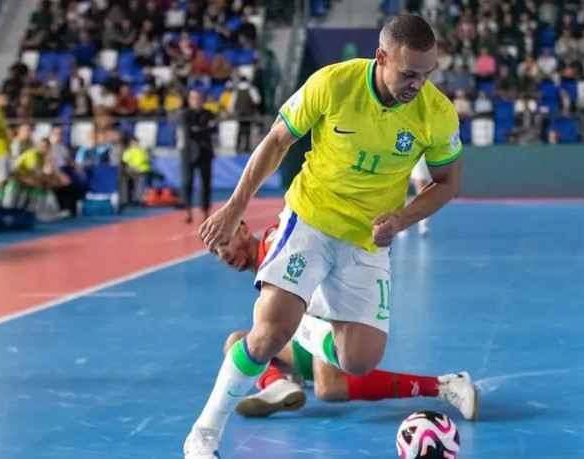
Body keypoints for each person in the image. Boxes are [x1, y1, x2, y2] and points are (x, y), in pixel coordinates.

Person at [185, 14, 463, 458]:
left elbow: (447, 183)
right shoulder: (332, 84)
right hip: (310, 218)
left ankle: (305, 328)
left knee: (358, 361)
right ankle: (203, 433)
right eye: (410, 73)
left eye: (427, 74)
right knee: (266, 334)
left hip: (368, 239)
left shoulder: (436, 112)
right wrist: (234, 207)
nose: (418, 84)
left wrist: (402, 219)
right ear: (381, 57)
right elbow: (277, 141)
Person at [213, 220, 477, 419]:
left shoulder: (274, 246)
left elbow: (317, 286)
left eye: (224, 242)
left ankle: (445, 385)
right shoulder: (264, 262)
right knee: (237, 343)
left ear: (244, 230)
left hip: (337, 315)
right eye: (215, 252)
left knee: (328, 388)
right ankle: (279, 384)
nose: (222, 254)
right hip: (312, 327)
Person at [180, 89, 216, 224]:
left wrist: (199, 130)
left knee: (205, 182)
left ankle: (205, 210)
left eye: (198, 98)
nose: (196, 101)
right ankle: (187, 210)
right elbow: (189, 131)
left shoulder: (208, 113)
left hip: (205, 151)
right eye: (193, 98)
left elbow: (213, 128)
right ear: (189, 100)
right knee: (187, 182)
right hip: (189, 152)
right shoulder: (185, 114)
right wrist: (204, 129)